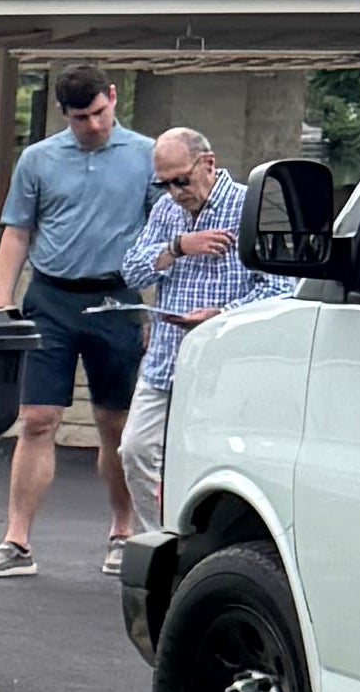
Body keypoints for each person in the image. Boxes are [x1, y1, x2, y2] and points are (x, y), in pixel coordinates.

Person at [0, 65, 154, 572]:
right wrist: (2, 301)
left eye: (99, 113)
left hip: (116, 299)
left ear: (113, 98)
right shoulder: (38, 159)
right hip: (51, 299)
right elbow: (17, 232)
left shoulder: (146, 155)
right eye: (81, 118)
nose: (93, 125)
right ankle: (16, 542)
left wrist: (158, 308)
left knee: (114, 424)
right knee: (37, 419)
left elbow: (163, 232)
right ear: (63, 114)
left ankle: (122, 532)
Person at [123, 123, 288, 532]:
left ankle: (202, 542)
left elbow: (282, 288)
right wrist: (178, 247)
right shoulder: (166, 211)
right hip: (166, 360)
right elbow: (132, 271)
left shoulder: (251, 207)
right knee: (135, 450)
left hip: (225, 366)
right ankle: (163, 537)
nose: (175, 191)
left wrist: (222, 315)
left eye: (181, 180)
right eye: (164, 184)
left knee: (214, 463)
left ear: (208, 164)